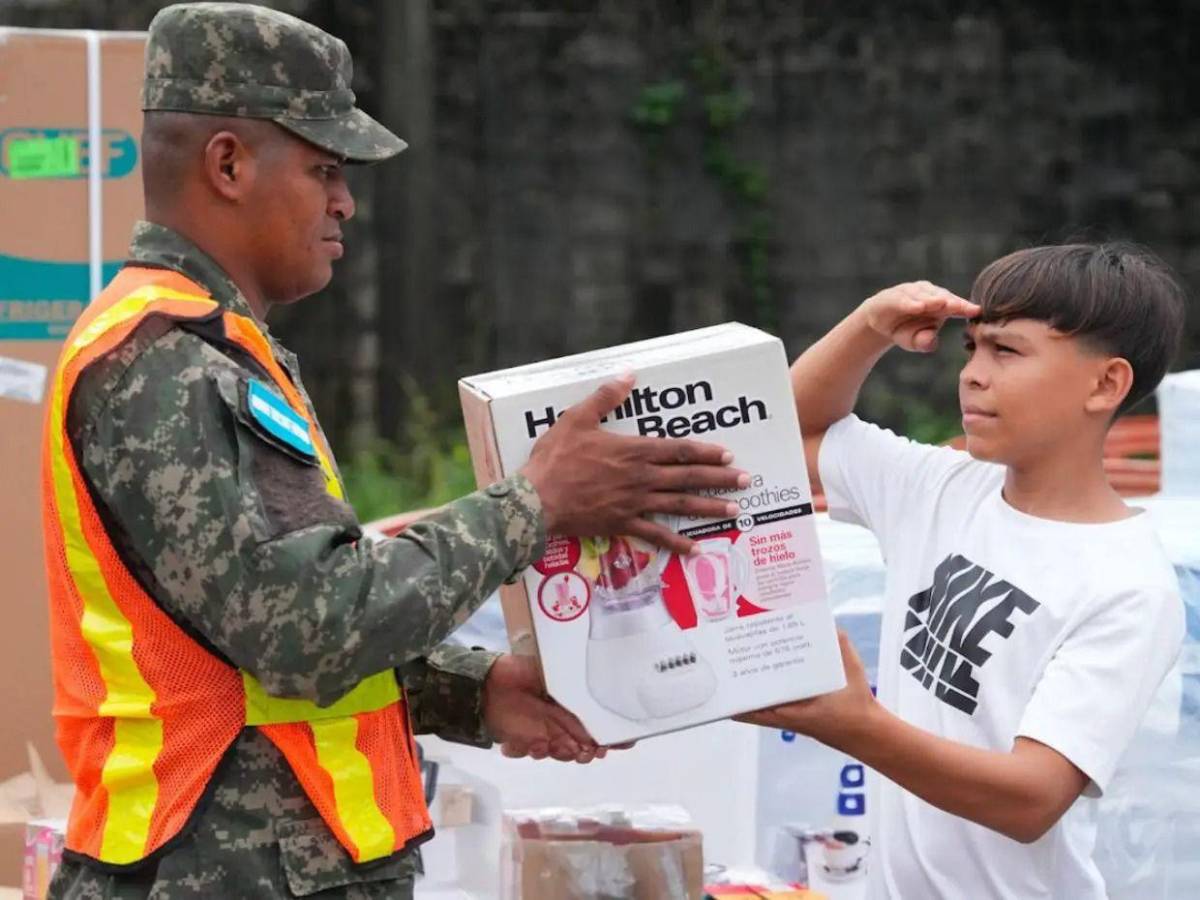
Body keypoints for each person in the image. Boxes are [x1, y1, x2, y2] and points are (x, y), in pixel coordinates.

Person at [43, 4, 747, 898]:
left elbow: (259, 628)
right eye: (325, 169)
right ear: (227, 164)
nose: (345, 202)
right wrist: (536, 503)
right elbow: (309, 629)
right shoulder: (165, 362)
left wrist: (472, 690)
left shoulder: (213, 350)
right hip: (215, 871)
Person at [743, 243, 1188, 898]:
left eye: (1006, 351)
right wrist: (868, 327)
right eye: (971, 349)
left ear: (1106, 384)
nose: (974, 375)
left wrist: (853, 725)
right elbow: (784, 434)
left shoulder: (1127, 587)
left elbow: (1031, 801)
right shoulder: (943, 488)